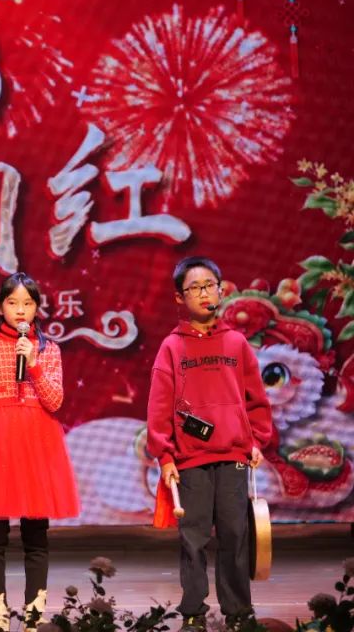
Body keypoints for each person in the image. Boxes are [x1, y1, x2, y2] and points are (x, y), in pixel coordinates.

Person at [147, 256, 272, 630]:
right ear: (179, 297)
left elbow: (256, 399)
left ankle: (239, 612)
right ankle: (193, 613)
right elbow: (159, 406)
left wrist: (257, 440)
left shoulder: (236, 342)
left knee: (235, 536)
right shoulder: (172, 348)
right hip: (190, 459)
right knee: (193, 540)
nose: (204, 293)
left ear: (221, 290)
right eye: (194, 288)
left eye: (209, 286)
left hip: (233, 455)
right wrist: (165, 455)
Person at [0, 272, 79, 632]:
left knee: (35, 533)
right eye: (13, 303)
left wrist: (33, 362)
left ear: (37, 308)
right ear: (0, 307)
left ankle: (34, 612)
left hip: (37, 445)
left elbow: (55, 401)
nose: (20, 310)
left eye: (27, 303)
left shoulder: (48, 349)